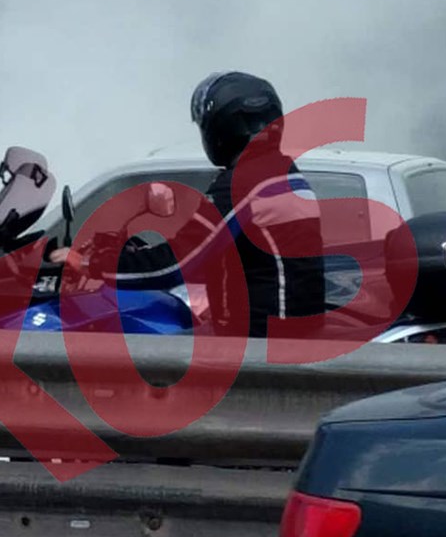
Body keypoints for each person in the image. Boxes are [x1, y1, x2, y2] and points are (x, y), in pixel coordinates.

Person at [55, 70, 327, 337]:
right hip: (289, 334)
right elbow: (229, 254)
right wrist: (139, 254)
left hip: (258, 342)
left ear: (220, 128)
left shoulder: (243, 184)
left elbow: (177, 264)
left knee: (150, 351)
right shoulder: (284, 174)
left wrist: (89, 263)